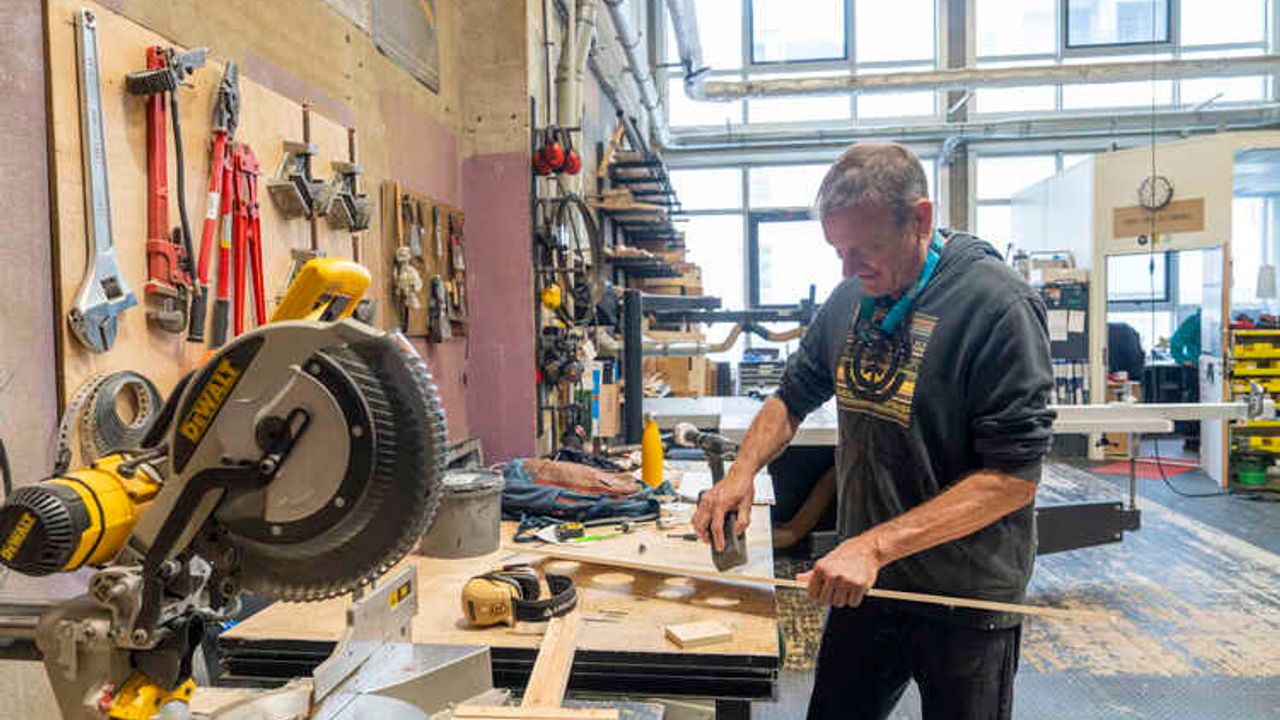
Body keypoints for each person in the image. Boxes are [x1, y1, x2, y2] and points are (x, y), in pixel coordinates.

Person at [692, 144, 1055, 720]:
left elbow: (1012, 479)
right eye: (838, 251)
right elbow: (792, 396)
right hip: (866, 586)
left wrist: (872, 545)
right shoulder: (850, 297)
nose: (847, 269)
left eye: (865, 250)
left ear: (921, 219)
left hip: (963, 595)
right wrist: (741, 472)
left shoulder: (997, 305)